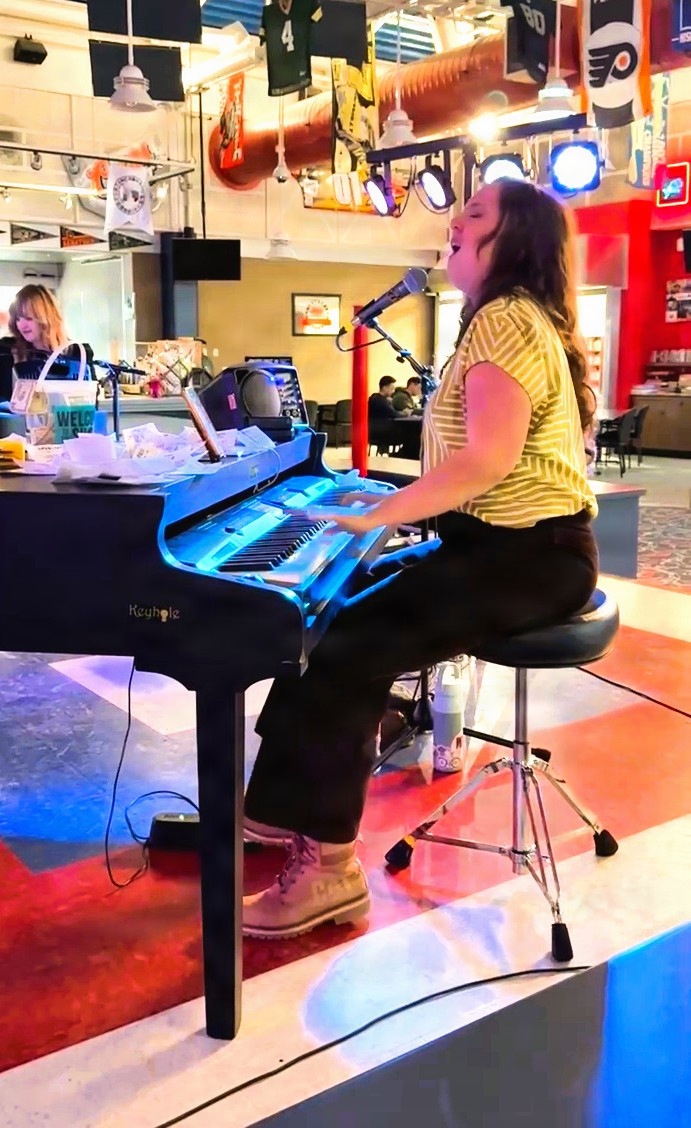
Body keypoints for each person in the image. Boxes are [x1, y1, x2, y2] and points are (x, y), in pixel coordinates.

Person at [243, 179, 599, 940]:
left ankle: (330, 870)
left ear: (514, 242)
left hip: (530, 558)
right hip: (503, 546)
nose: (452, 221)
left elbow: (485, 463)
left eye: (474, 214)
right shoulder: (504, 318)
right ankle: (279, 812)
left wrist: (375, 512)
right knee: (328, 616)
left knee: (348, 644)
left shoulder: (506, 320)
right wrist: (378, 503)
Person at [7, 283, 94, 380]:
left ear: (47, 318)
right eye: (18, 319)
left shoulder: (79, 353)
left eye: (29, 318)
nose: (22, 325)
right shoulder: (8, 351)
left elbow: (92, 392)